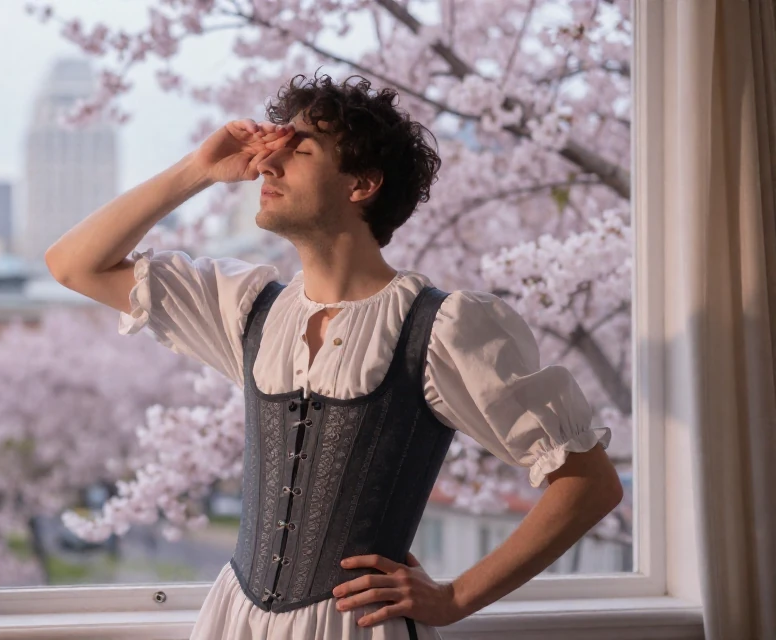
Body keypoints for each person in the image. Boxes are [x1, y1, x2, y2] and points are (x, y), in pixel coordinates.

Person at [45, 71, 622, 640]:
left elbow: (589, 484)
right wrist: (199, 169)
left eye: (299, 151)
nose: (267, 164)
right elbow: (74, 264)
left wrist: (454, 598)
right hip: (236, 624)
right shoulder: (248, 312)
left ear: (361, 184)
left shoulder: (444, 329)